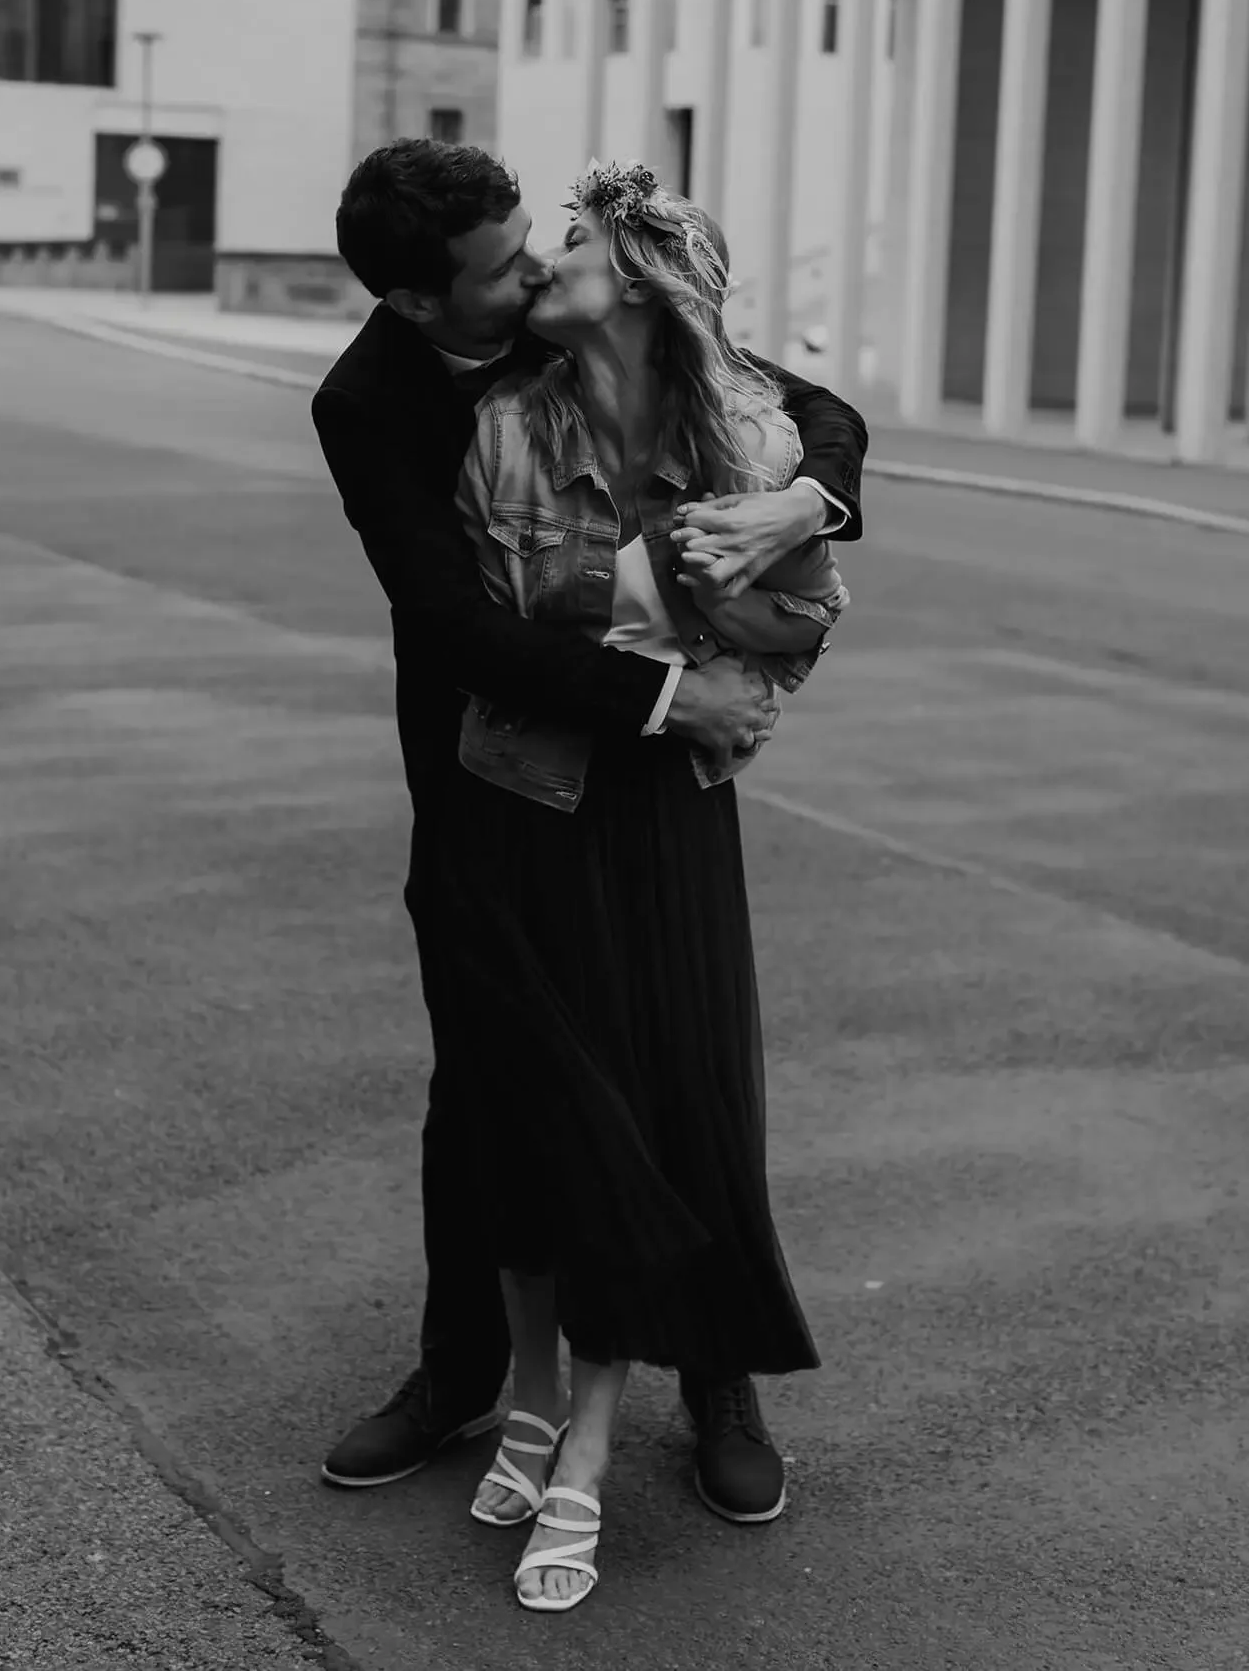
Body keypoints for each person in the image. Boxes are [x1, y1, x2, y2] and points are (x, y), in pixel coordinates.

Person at [310, 139, 866, 1532]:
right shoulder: (371, 400)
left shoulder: (561, 318)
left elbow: (806, 407)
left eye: (535, 242)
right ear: (420, 300)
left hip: (653, 781)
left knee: (690, 1065)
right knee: (487, 1092)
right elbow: (453, 627)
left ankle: (720, 1379)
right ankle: (464, 1373)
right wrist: (675, 700)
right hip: (486, 779)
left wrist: (806, 500)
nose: (535, 271)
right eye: (503, 266)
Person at [432, 160, 842, 1612]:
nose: (549, 258)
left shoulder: (749, 433)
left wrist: (767, 540)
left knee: (655, 1110)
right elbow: (498, 635)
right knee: (542, 1120)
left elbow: (803, 629)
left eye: (576, 243)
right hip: (528, 798)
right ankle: (534, 1397)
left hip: (667, 819)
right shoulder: (502, 426)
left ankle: (601, 1447)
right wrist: (656, 624)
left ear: (645, 281)